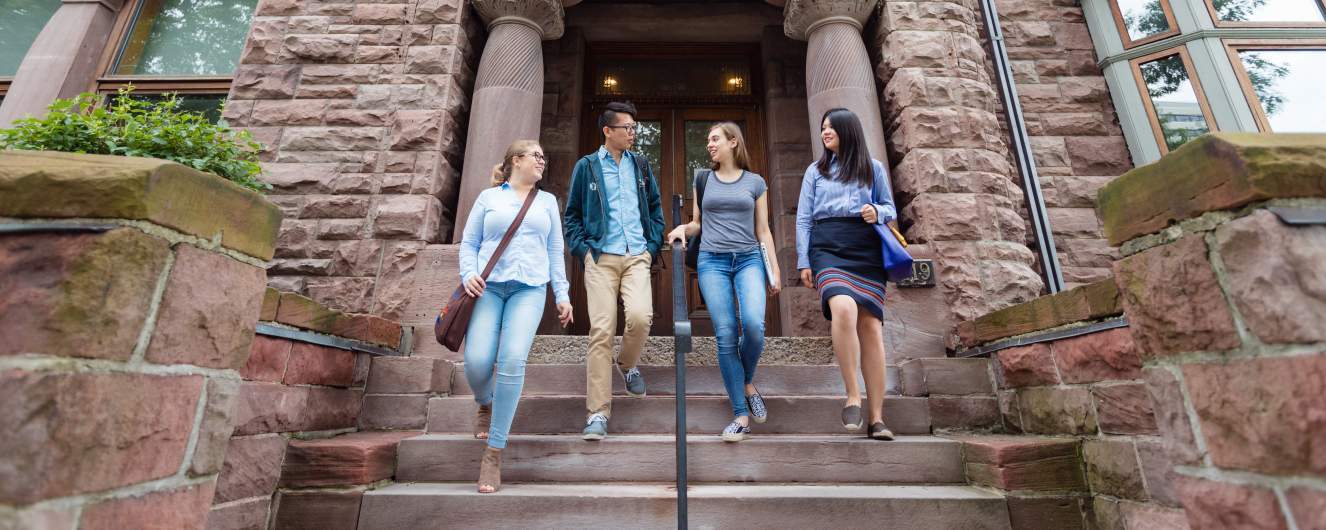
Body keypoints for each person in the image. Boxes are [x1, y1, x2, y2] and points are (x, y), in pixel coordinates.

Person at [459, 140, 574, 493]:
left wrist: (563, 292)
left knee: (511, 361)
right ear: (516, 161)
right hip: (488, 288)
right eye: (536, 155)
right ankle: (485, 400)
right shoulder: (488, 198)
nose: (543, 160)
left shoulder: (547, 203)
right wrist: (468, 274)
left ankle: (494, 452)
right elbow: (469, 242)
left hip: (530, 289)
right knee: (476, 363)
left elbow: (556, 250)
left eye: (544, 155)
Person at [666, 122, 780, 442]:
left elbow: (764, 230)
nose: (710, 144)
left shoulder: (755, 182)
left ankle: (746, 381)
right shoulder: (702, 179)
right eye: (708, 140)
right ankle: (740, 414)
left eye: (715, 139)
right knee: (726, 334)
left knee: (754, 325)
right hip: (712, 262)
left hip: (748, 260)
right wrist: (681, 231)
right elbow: (697, 223)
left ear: (733, 142)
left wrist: (774, 269)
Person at [563, 101, 666, 441]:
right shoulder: (587, 166)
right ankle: (597, 414)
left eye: (635, 128)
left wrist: (652, 246)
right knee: (602, 331)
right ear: (608, 131)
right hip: (600, 257)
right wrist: (584, 251)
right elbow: (572, 216)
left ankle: (626, 364)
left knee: (640, 317)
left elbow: (653, 205)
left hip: (637, 253)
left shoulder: (641, 164)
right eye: (627, 128)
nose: (633, 133)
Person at [795, 108, 898, 441]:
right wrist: (803, 260)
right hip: (828, 247)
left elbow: (890, 209)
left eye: (831, 128)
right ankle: (853, 394)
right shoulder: (816, 171)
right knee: (843, 308)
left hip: (865, 249)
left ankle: (877, 419)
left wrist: (876, 211)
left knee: (870, 327)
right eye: (823, 128)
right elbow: (804, 219)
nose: (825, 133)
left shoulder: (873, 168)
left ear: (848, 131)